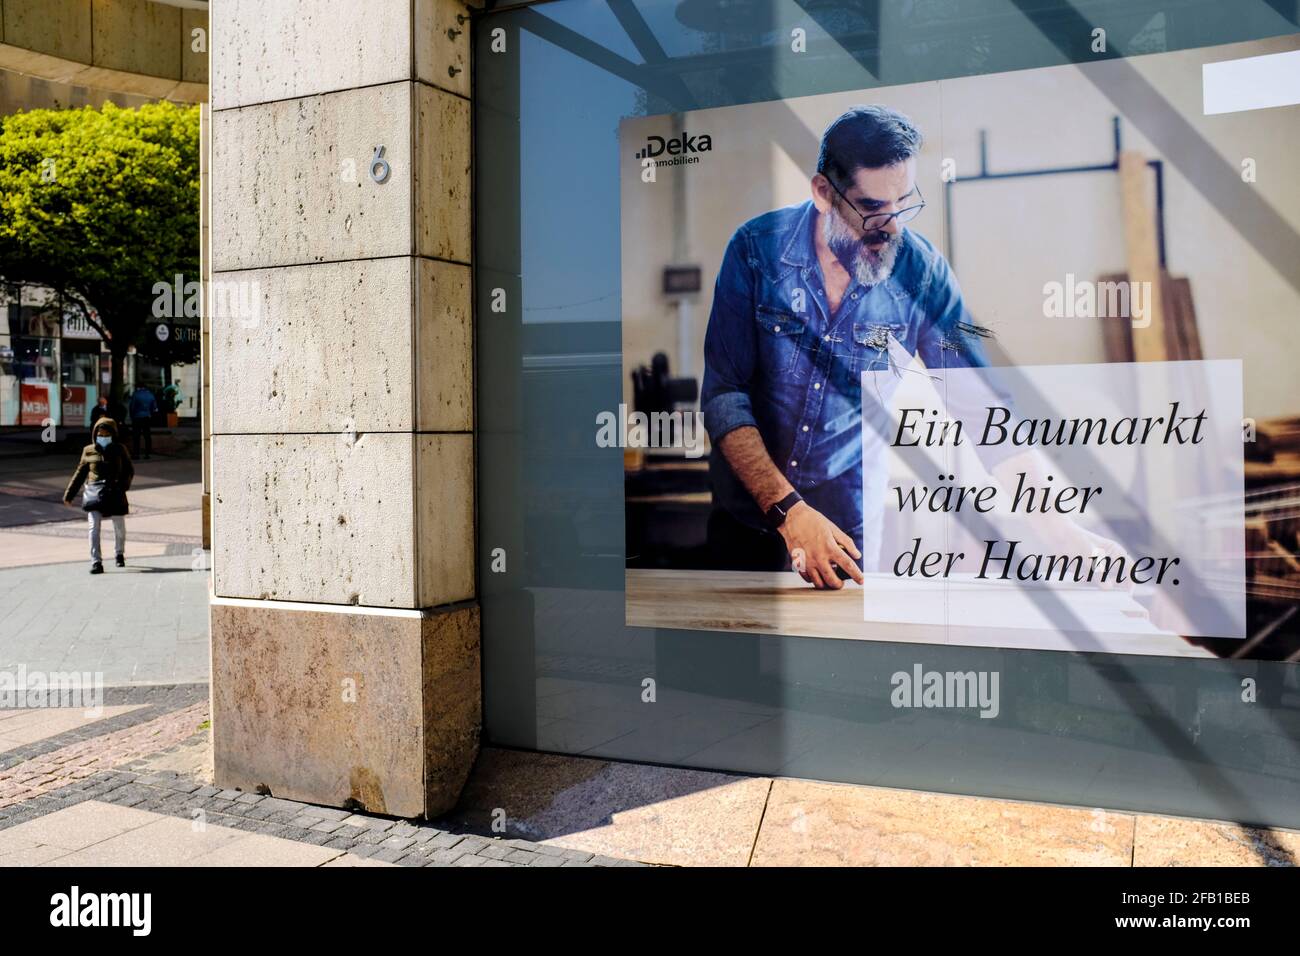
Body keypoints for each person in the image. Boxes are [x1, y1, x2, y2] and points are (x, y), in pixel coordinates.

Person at [63, 417, 134, 574]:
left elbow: (129, 470)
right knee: (93, 528)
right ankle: (96, 562)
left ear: (113, 434)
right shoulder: (88, 450)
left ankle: (119, 553)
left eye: (106, 433)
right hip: (94, 493)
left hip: (115, 492)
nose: (102, 436)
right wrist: (69, 495)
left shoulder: (120, 449)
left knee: (119, 526)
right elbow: (80, 473)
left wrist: (123, 486)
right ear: (95, 434)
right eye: (100, 433)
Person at [128, 384, 158, 459]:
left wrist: (132, 416)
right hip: (147, 417)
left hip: (137, 417)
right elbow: (154, 407)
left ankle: (136, 454)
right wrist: (150, 413)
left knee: (136, 436)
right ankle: (148, 453)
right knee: (147, 435)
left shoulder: (136, 395)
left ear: (139, 387)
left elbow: (132, 407)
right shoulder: (151, 395)